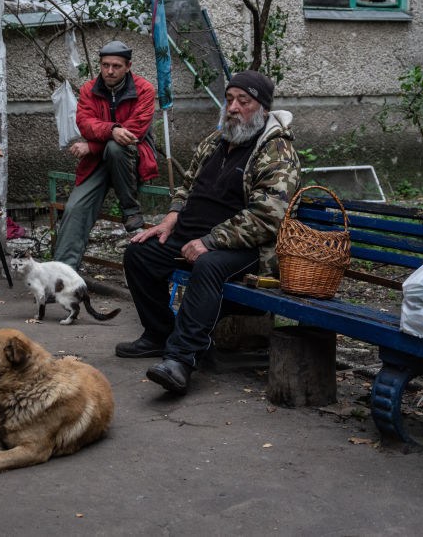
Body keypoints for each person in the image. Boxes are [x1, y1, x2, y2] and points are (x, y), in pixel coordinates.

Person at [116, 71, 300, 395]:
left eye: (243, 101)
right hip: (190, 236)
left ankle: (180, 359)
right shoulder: (216, 141)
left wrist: (210, 241)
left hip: (243, 249)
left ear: (263, 109)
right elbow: (186, 186)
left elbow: (269, 215)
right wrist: (170, 218)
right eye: (229, 99)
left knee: (208, 266)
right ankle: (159, 334)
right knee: (139, 254)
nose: (233, 107)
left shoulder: (276, 149)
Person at [53, 40, 158, 270]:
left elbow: (134, 132)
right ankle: (61, 276)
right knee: (74, 208)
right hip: (97, 164)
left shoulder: (145, 90)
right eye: (105, 65)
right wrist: (111, 130)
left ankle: (131, 211)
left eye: (116, 66)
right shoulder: (89, 90)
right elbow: (85, 124)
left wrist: (92, 146)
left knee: (116, 147)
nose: (110, 71)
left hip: (133, 158)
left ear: (128, 66)